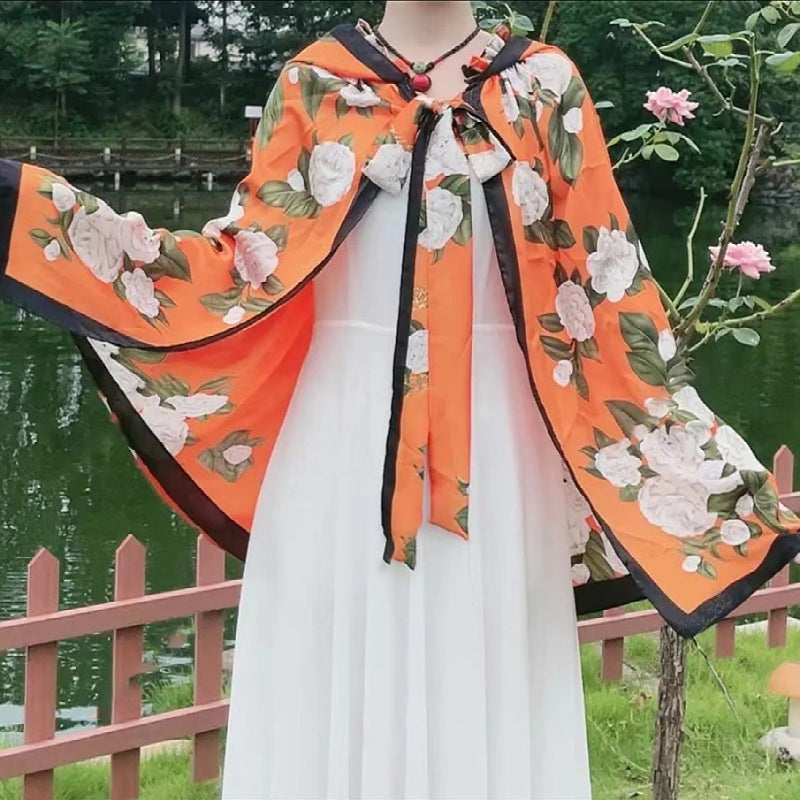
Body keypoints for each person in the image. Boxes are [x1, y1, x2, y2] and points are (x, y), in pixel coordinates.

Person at [1, 2, 799, 798]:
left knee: (486, 699)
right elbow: (236, 268)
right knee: (327, 707)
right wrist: (30, 213)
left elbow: (611, 294)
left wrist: (716, 481)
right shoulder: (315, 83)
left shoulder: (546, 87)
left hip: (498, 465)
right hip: (337, 457)